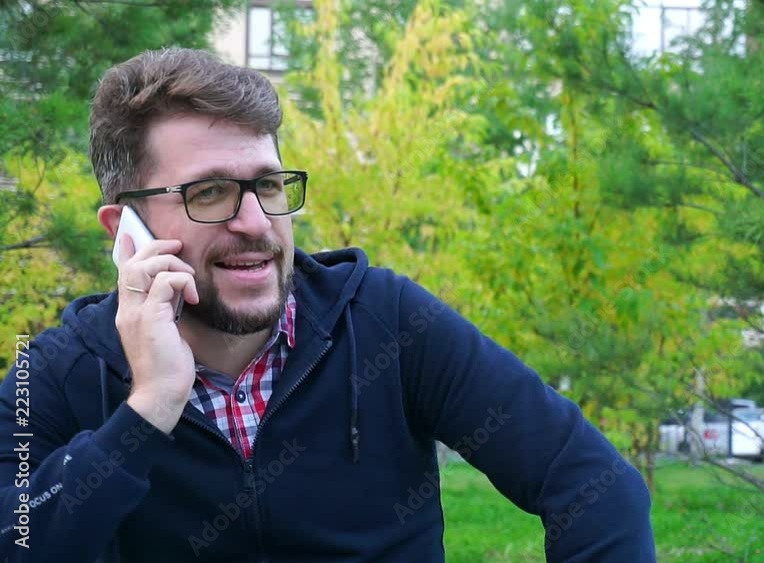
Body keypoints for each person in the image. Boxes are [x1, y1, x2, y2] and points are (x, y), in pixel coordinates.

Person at [0, 49, 654, 562]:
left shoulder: (388, 321)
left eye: (269, 184)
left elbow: (591, 481)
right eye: (209, 193)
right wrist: (147, 411)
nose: (256, 222)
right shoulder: (57, 371)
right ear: (124, 230)